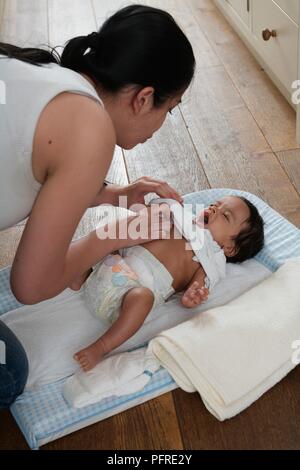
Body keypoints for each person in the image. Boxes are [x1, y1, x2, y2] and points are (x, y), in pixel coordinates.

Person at [0, 5, 195, 408]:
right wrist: (113, 235)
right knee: (8, 371)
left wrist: (113, 195)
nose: (162, 124)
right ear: (144, 98)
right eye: (169, 109)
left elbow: (37, 162)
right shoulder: (93, 130)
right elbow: (31, 285)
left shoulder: (52, 75)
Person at [74, 195, 265, 371]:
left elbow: (196, 290)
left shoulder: (211, 260)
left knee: (143, 298)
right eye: (214, 204)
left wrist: (193, 296)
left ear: (230, 248)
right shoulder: (181, 219)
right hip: (112, 268)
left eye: (225, 215)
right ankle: (80, 275)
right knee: (108, 234)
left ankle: (101, 347)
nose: (214, 209)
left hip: (125, 297)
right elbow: (148, 214)